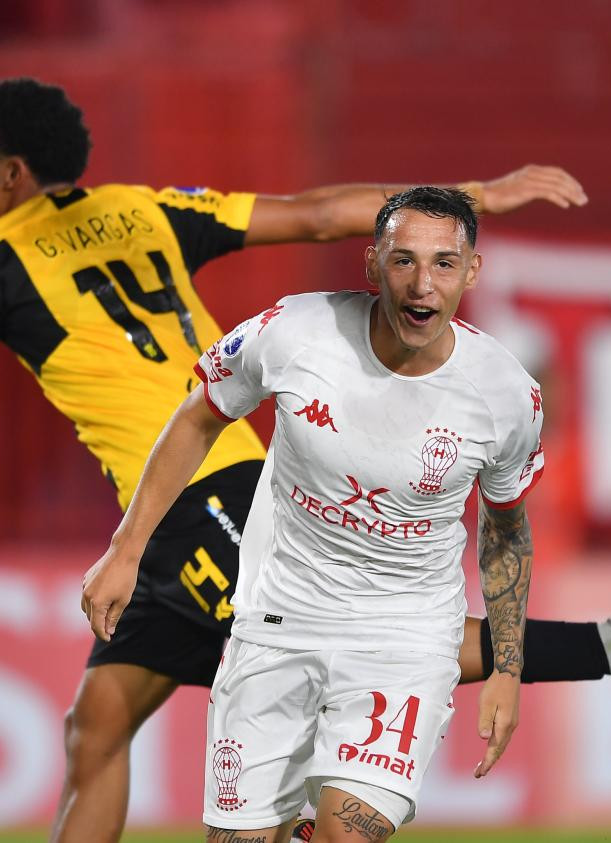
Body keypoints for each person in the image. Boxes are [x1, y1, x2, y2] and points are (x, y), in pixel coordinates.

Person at [0, 78, 611, 843]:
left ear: (11, 173)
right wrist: (476, 189)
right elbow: (317, 212)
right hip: (200, 490)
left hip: (203, 491)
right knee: (93, 725)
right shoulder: (145, 208)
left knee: (364, 646)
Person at [82, 187, 542, 840]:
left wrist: (508, 668)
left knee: (347, 833)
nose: (422, 283)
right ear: (370, 263)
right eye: (403, 260)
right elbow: (198, 416)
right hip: (278, 619)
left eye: (444, 263)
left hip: (403, 638)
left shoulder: (504, 395)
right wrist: (125, 550)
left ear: (471, 272)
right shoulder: (293, 333)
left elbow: (506, 532)